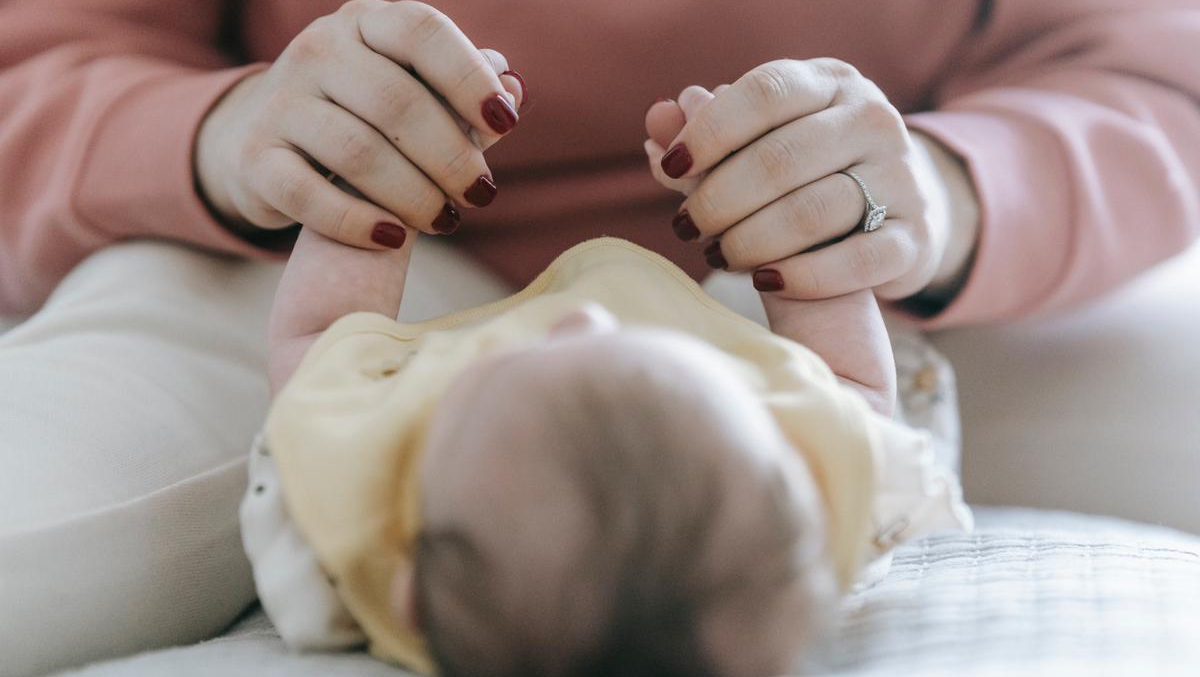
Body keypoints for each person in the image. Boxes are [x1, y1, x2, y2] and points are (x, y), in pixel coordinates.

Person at [0, 0, 1196, 674]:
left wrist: (927, 198)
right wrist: (243, 141)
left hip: (918, 284)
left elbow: (1154, 75)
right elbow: (34, 76)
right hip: (315, 256)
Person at [240, 226, 971, 677]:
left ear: (411, 597)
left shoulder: (351, 531)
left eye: (504, 365)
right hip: (730, 343)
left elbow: (321, 341)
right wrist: (801, 250)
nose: (583, 316)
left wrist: (370, 205)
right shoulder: (794, 534)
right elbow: (852, 395)